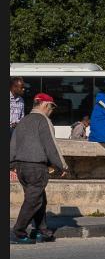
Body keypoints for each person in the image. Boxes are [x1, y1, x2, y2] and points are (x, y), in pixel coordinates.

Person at [10, 93, 67, 243]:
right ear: (45, 105)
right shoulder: (44, 120)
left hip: (21, 167)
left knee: (39, 198)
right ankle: (18, 232)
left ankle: (43, 231)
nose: (51, 110)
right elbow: (51, 146)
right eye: (51, 107)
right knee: (33, 200)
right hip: (36, 167)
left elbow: (13, 143)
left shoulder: (23, 120)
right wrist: (63, 166)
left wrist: (11, 164)